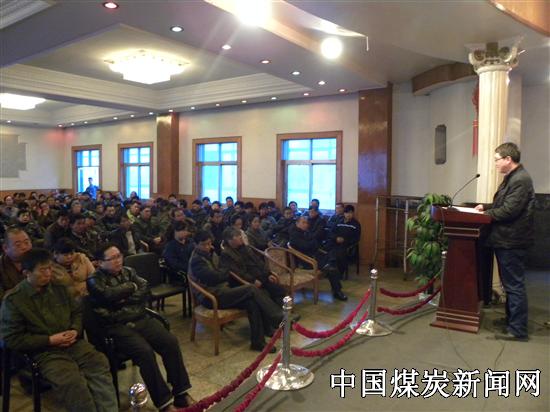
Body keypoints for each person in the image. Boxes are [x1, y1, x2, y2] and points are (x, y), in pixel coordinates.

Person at [0, 248, 118, 412]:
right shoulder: (14, 300)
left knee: (99, 364)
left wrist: (75, 330)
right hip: (44, 351)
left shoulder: (59, 288)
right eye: (43, 270)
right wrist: (49, 340)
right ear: (27, 273)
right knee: (72, 380)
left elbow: (76, 312)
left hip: (72, 343)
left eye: (50, 268)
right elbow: (12, 338)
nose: (48, 273)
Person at [87, 244, 194, 410]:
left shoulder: (129, 271)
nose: (118, 261)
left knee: (170, 342)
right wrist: (131, 288)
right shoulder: (94, 281)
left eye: (119, 256)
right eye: (112, 258)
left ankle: (181, 393)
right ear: (100, 262)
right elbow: (108, 297)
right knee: (145, 353)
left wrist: (122, 300)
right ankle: (164, 402)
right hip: (117, 325)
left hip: (139, 317)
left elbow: (145, 288)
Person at [475, 142, 535, 341]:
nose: (495, 164)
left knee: (514, 285)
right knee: (509, 285)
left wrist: (485, 215)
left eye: (497, 160)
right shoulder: (513, 178)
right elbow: (502, 204)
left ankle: (517, 330)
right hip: (506, 239)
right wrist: (486, 207)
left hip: (512, 241)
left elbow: (509, 211)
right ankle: (512, 321)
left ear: (508, 159)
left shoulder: (520, 180)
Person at [189, 231, 282, 351]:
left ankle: (257, 342)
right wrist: (223, 273)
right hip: (210, 297)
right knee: (251, 288)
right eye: (204, 244)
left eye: (209, 243)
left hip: (222, 291)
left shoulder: (210, 254)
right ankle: (277, 316)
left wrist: (223, 273)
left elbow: (223, 272)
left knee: (252, 302)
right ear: (196, 245)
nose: (208, 247)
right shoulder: (197, 260)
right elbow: (214, 278)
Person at [220, 227, 286, 306]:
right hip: (247, 280)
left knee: (279, 290)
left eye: (240, 235)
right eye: (237, 236)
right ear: (229, 240)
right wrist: (253, 280)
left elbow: (258, 261)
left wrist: (268, 274)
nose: (240, 237)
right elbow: (239, 272)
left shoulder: (244, 247)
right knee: (275, 291)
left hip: (259, 276)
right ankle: (281, 311)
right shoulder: (226, 254)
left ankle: (283, 310)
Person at [289, 216, 348, 301]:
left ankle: (336, 288)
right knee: (331, 268)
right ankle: (337, 291)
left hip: (314, 256)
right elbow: (306, 246)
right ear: (297, 223)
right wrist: (312, 242)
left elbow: (314, 243)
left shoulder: (305, 232)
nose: (306, 225)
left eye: (306, 223)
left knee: (334, 257)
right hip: (306, 261)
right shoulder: (294, 235)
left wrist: (312, 243)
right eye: (303, 223)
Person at [1, 228, 33, 301]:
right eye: (18, 245)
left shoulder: (38, 258)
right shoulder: (2, 266)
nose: (24, 247)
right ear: (5, 248)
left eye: (26, 242)